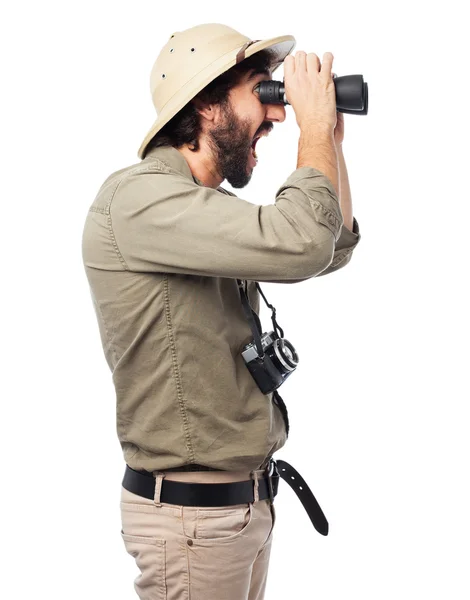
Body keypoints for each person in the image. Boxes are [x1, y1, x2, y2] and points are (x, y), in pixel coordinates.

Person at [81, 22, 361, 600]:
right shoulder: (138, 200)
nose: (279, 116)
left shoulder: (201, 210)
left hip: (235, 517)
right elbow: (303, 238)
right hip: (193, 525)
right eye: (265, 92)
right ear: (207, 105)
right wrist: (311, 124)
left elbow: (329, 248)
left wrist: (328, 141)